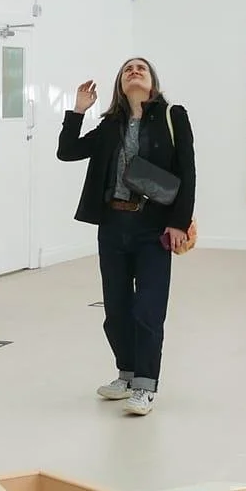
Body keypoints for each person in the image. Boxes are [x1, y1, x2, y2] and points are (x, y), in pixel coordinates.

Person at [58, 57, 197, 417]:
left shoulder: (172, 117)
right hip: (113, 226)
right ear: (121, 83)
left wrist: (179, 223)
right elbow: (67, 152)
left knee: (147, 310)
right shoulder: (110, 125)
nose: (134, 72)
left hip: (153, 227)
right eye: (128, 70)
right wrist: (78, 111)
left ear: (153, 81)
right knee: (116, 310)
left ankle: (146, 386)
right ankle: (127, 374)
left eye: (142, 69)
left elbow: (187, 170)